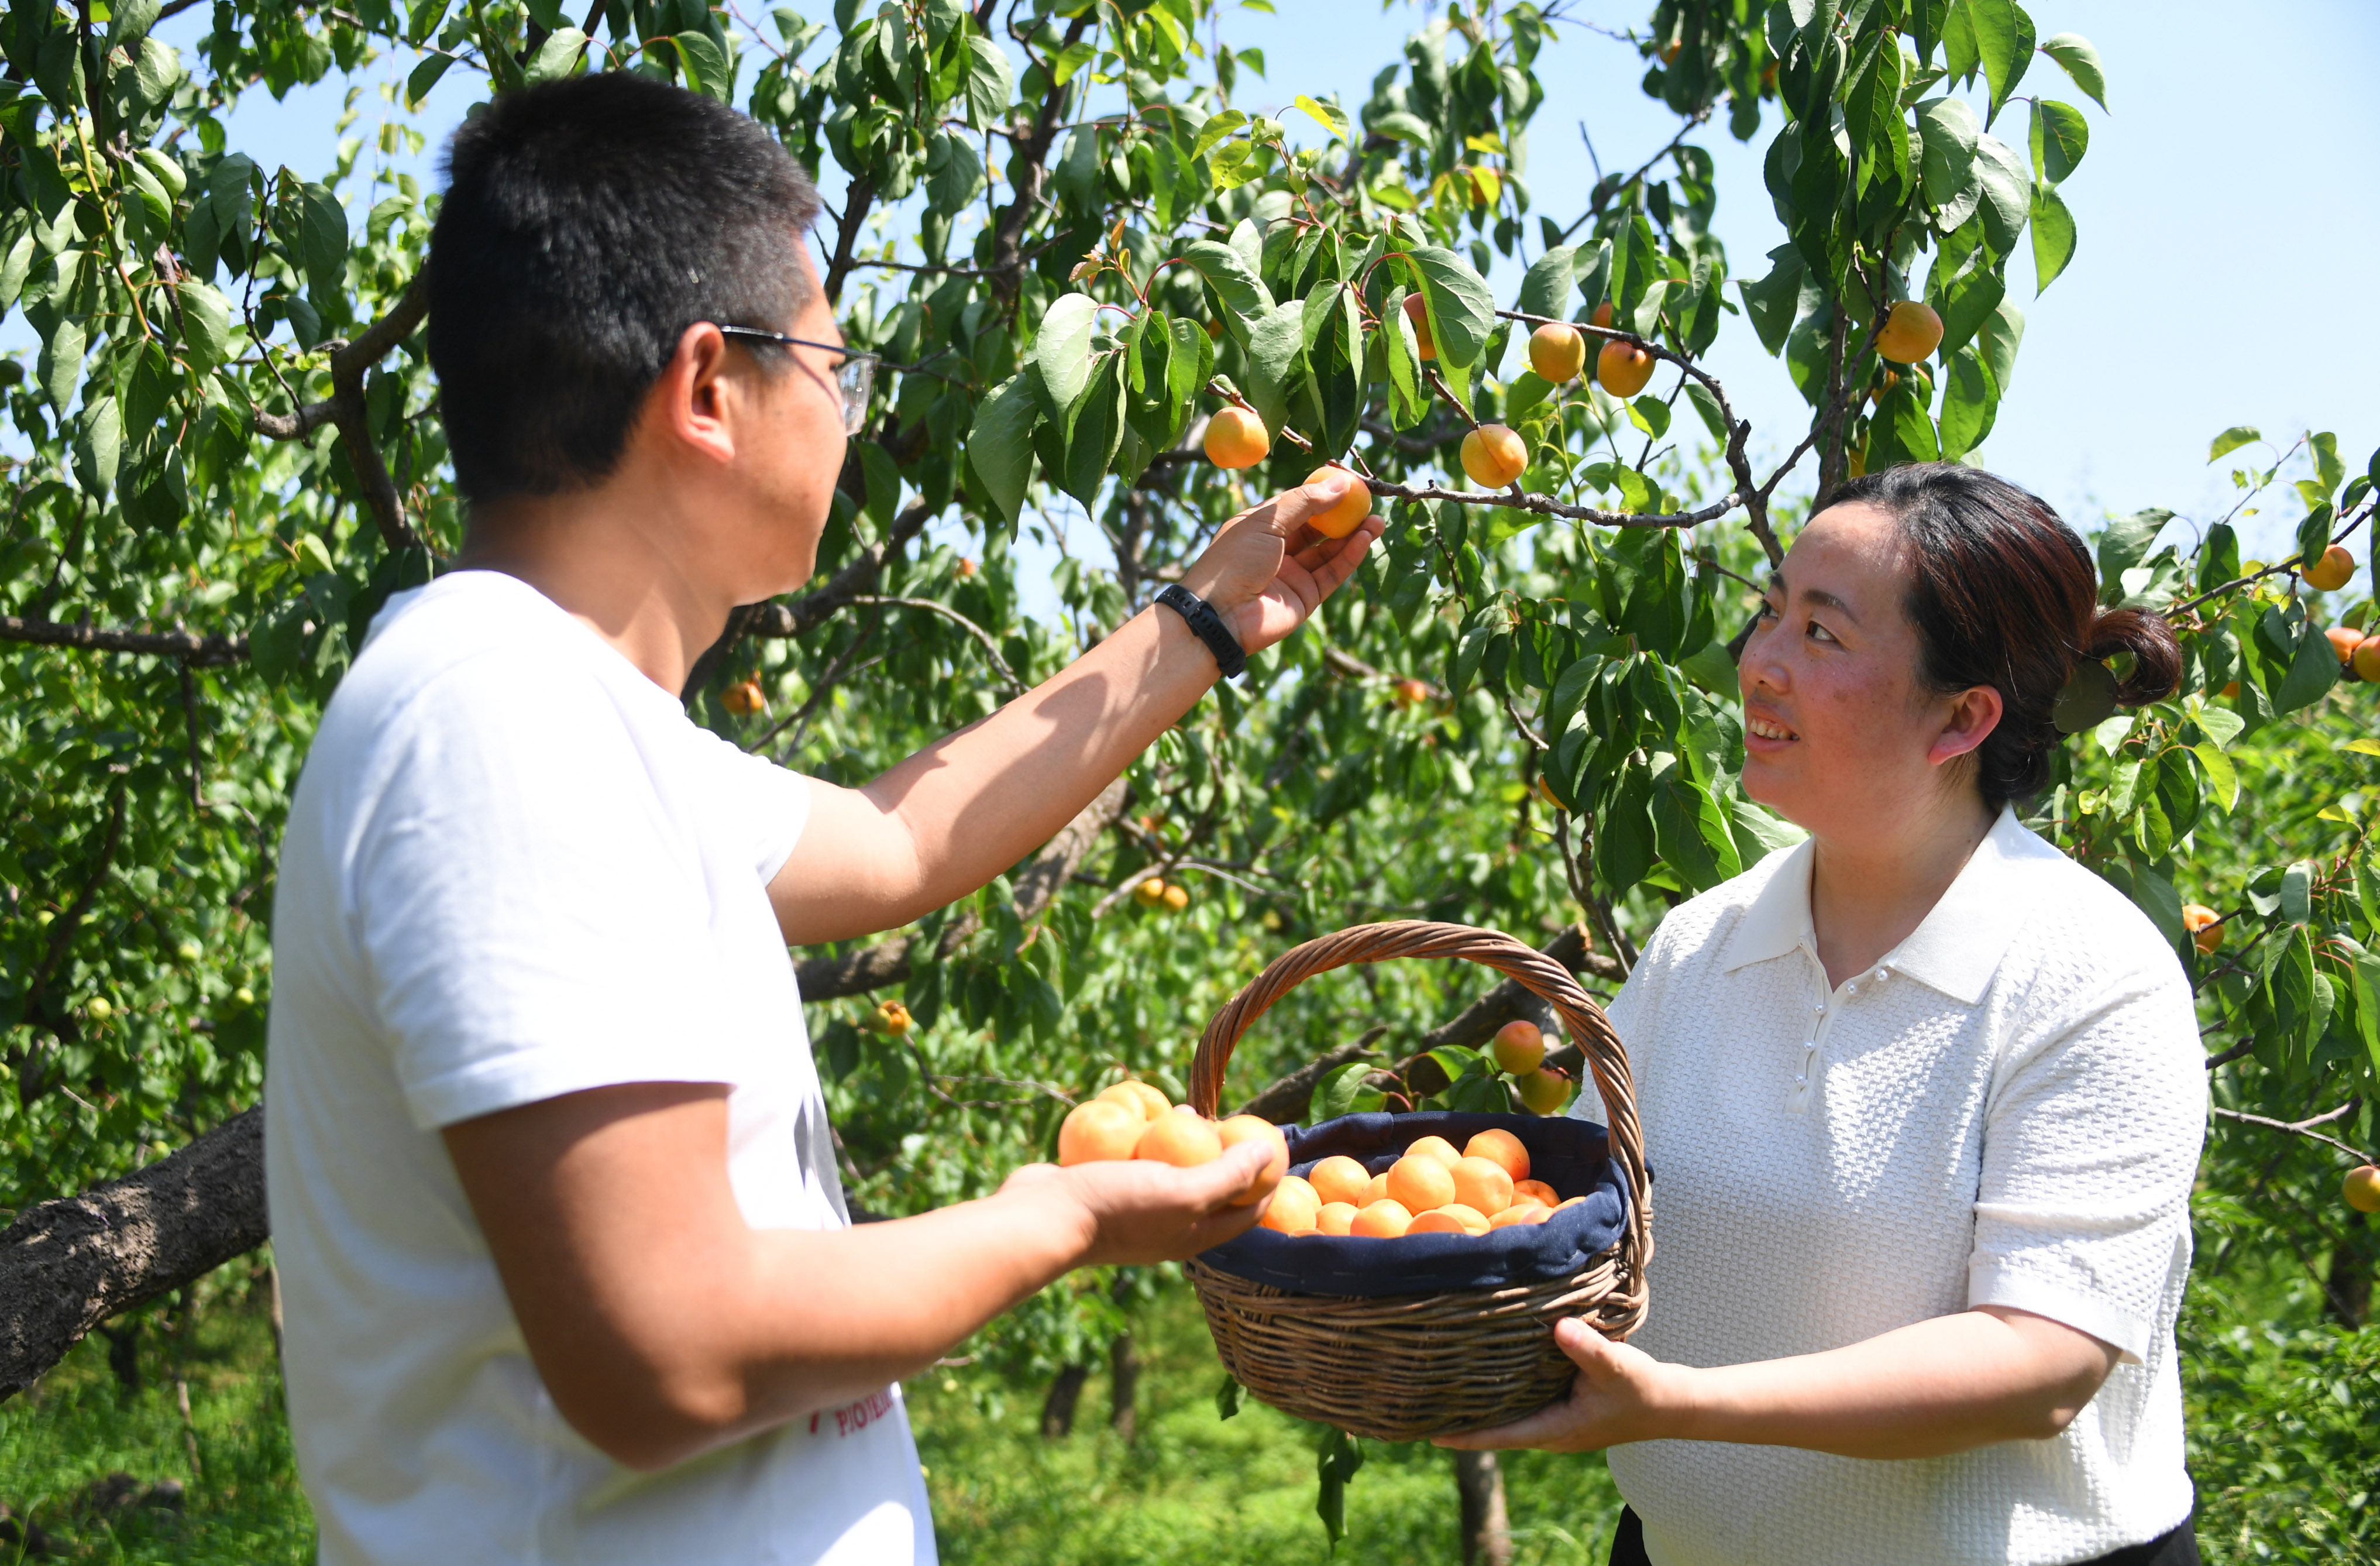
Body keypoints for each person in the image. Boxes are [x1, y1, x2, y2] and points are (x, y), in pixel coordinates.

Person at [262, 74, 1380, 1566]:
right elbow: (675, 1355)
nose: (849, 415)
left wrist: (1203, 618)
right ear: (709, 387)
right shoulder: (498, 721)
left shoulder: (575, 717)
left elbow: (901, 842)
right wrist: (1058, 1219)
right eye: (834, 367)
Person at [1443, 464, 2206, 1566]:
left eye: (1822, 633)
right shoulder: (1700, 946)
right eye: (1770, 612)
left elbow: (2041, 1360)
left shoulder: (2088, 975)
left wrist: (1678, 1405)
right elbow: (1568, 1200)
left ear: (1960, 718)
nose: (1760, 661)